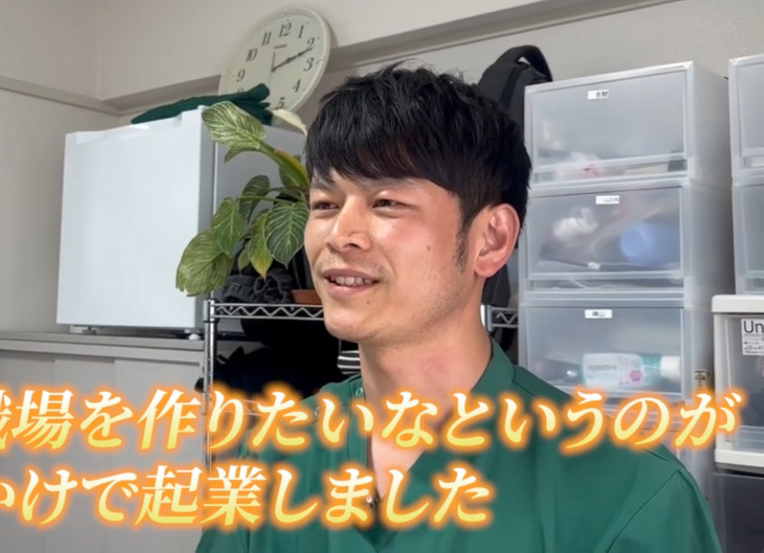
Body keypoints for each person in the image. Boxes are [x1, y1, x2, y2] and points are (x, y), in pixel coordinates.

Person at [194, 62, 722, 552]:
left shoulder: (630, 492)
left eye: (386, 203)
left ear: (491, 239)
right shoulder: (275, 453)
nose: (339, 235)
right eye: (325, 205)